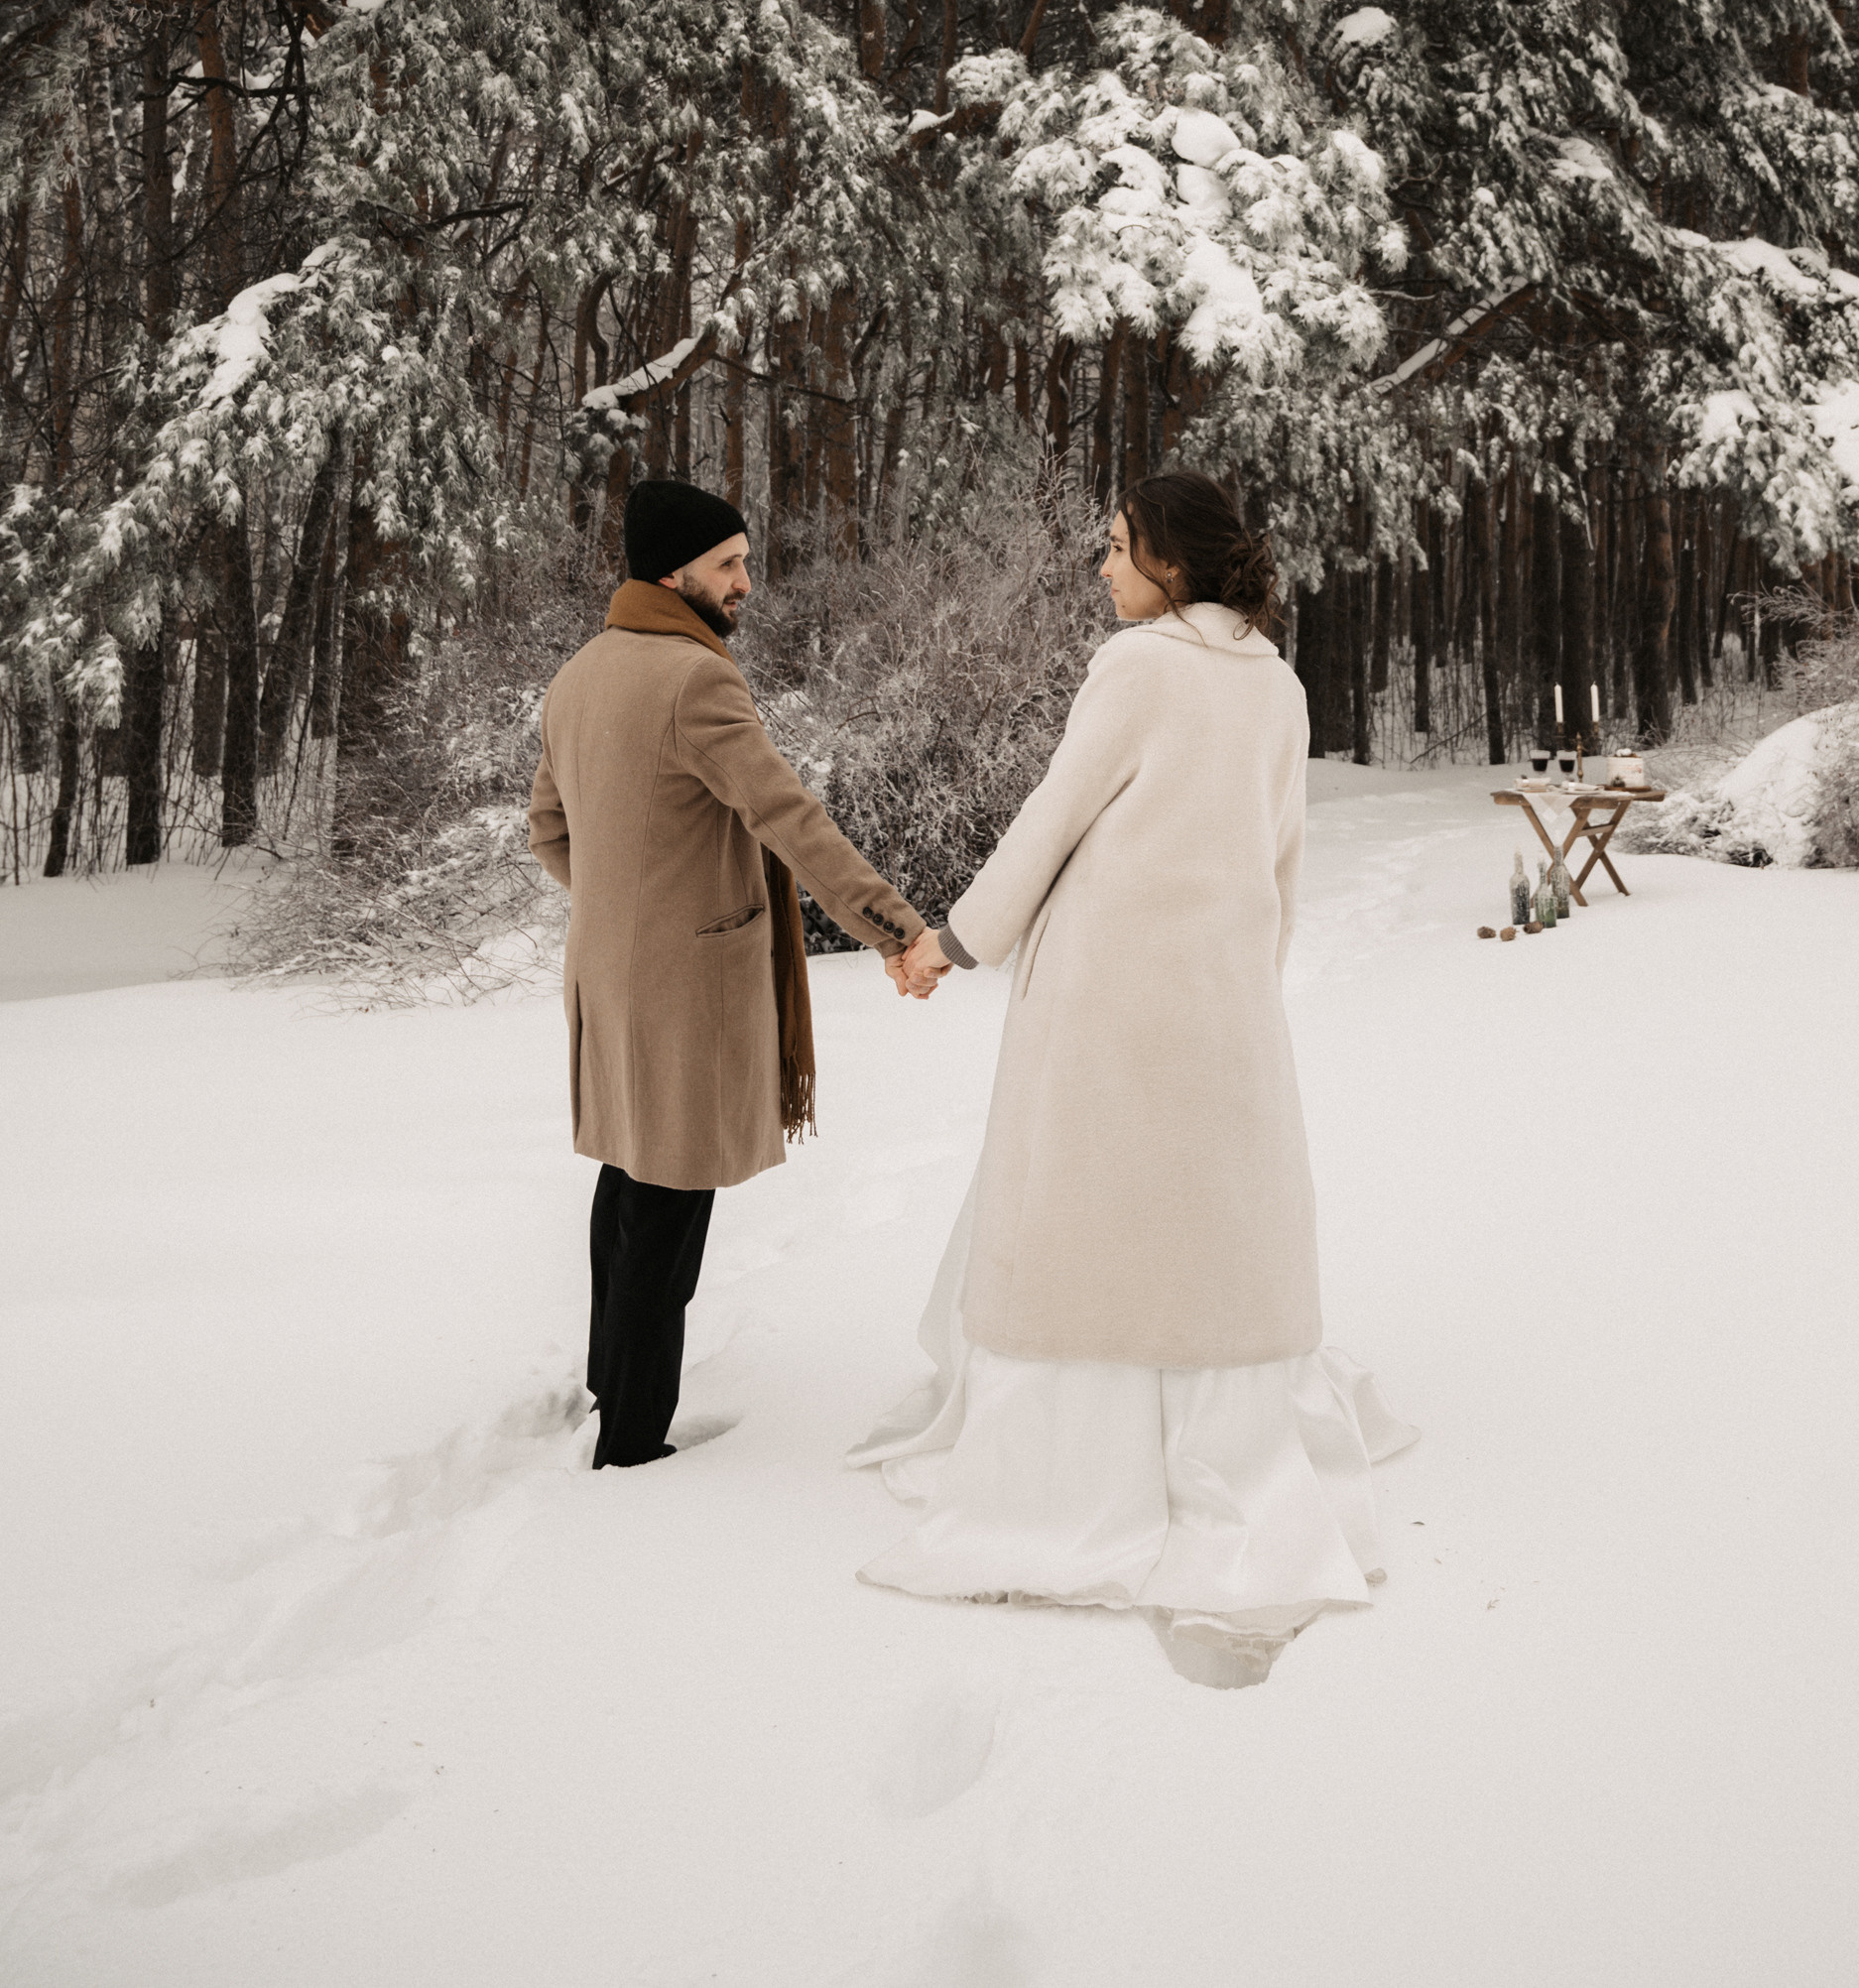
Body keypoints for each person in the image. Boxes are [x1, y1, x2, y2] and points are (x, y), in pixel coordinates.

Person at [848, 471, 1415, 1685]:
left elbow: (1050, 819)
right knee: (1202, 1218)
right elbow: (1282, 854)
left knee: (1084, 1209)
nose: (1100, 566)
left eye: (1117, 546)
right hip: (1215, 994)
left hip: (1106, 992)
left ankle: (1070, 1468)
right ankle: (1215, 1435)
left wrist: (954, 939)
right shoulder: (1275, 678)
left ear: (1172, 562)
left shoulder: (1141, 665)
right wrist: (1249, 975)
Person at [528, 475, 935, 1469]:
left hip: (609, 973)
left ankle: (605, 1384)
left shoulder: (581, 672)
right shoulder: (693, 678)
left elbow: (547, 828)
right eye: (728, 564)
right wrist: (891, 927)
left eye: (744, 560)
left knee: (631, 1178)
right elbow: (787, 815)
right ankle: (631, 1440)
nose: (747, 581)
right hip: (686, 984)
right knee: (668, 1197)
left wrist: (626, 910)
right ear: (673, 572)